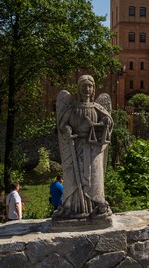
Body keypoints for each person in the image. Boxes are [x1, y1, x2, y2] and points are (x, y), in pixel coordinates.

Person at [55, 75, 113, 219]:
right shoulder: (73, 108)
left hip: (93, 148)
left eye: (90, 86)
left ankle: (98, 205)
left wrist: (105, 121)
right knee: (72, 177)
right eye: (84, 86)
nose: (87, 89)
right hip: (75, 146)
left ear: (93, 89)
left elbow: (108, 122)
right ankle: (71, 208)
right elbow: (62, 124)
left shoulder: (97, 107)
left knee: (95, 178)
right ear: (78, 89)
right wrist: (67, 129)